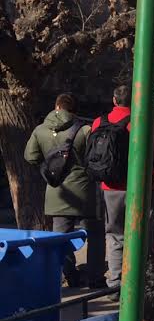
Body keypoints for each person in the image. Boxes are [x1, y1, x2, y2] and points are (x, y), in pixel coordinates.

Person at [91, 84, 154, 297]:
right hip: (140, 188)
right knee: (143, 235)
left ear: (114, 100)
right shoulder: (143, 122)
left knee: (115, 236)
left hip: (109, 187)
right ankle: (141, 283)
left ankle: (116, 284)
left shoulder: (99, 122)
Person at [24, 93, 105, 288]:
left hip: (57, 191)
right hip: (86, 192)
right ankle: (95, 277)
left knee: (61, 238)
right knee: (95, 235)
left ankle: (69, 275)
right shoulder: (85, 130)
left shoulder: (40, 130)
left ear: (57, 107)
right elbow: (96, 158)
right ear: (74, 109)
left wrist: (49, 166)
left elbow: (30, 156)